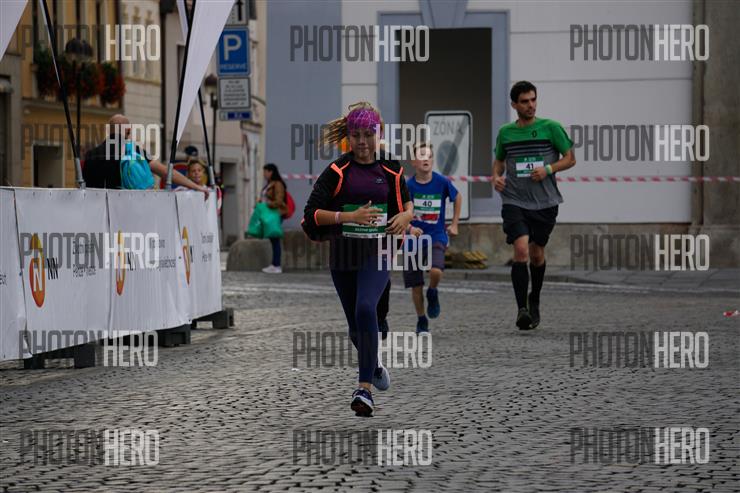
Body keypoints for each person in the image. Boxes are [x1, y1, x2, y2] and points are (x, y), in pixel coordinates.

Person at [302, 102, 413, 417]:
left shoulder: (391, 169)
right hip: (344, 255)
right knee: (356, 328)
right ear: (348, 137)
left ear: (379, 133)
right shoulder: (337, 171)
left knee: (366, 308)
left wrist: (406, 217)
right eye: (356, 135)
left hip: (379, 251)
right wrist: (347, 216)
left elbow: (406, 204)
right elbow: (311, 215)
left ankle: (364, 390)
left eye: (368, 134)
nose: (362, 142)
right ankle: (373, 364)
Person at [491, 81, 576, 330]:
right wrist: (496, 177)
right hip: (514, 199)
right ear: (514, 105)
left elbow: (570, 159)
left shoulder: (551, 128)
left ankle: (534, 298)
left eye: (533, 100)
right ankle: (522, 310)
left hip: (545, 202)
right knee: (521, 250)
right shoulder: (506, 132)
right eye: (525, 101)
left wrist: (548, 169)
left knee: (537, 254)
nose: (530, 105)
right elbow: (499, 161)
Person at [403, 142, 461, 333]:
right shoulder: (408, 186)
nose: (426, 159)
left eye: (429, 156)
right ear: (414, 162)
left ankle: (433, 291)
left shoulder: (441, 182)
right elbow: (400, 211)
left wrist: (454, 223)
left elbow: (457, 197)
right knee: (416, 284)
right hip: (413, 241)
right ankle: (421, 319)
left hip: (436, 235)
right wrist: (410, 227)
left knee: (436, 270)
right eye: (422, 156)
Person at [83, 114, 208, 198]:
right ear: (128, 131)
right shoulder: (132, 151)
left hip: (96, 215)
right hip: (123, 212)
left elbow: (83, 187)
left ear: (108, 131)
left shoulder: (90, 155)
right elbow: (167, 173)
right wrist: (196, 187)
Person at [261, 163, 288, 274]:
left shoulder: (277, 184)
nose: (264, 174)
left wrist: (267, 204)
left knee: (275, 239)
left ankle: (277, 265)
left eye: (265, 172)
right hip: (270, 214)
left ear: (271, 172)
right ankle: (274, 264)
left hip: (275, 214)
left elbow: (279, 200)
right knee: (273, 239)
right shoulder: (270, 184)